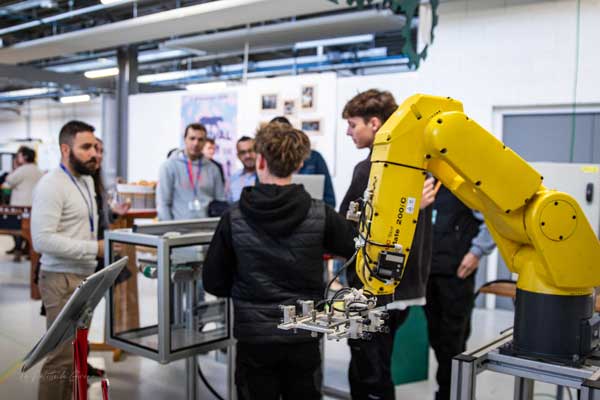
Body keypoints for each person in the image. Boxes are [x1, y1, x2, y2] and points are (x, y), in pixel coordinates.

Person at [202, 121, 356, 400]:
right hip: (303, 334)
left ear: (260, 161)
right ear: (298, 164)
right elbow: (356, 251)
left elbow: (213, 281)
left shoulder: (233, 218)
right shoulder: (321, 214)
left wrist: (244, 287)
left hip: (254, 338)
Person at [340, 89, 436, 400]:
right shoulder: (419, 168)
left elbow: (344, 225)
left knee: (368, 370)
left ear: (375, 123)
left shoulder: (369, 170)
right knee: (378, 365)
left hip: (371, 290)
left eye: (353, 124)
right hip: (405, 290)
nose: (349, 132)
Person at [31, 120, 103, 400]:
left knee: (77, 354)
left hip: (85, 279)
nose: (94, 153)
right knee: (60, 358)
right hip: (60, 279)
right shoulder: (51, 185)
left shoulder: (86, 180)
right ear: (65, 149)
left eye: (95, 147)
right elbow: (42, 240)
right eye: (86, 147)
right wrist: (93, 248)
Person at [425, 185, 496, 400]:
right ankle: (446, 391)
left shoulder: (466, 183)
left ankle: (452, 394)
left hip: (457, 273)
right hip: (429, 271)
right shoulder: (428, 181)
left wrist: (476, 252)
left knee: (452, 341)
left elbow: (493, 220)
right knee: (436, 338)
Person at [157, 123, 226, 220]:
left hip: (207, 226)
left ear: (205, 142)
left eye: (200, 139)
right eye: (192, 138)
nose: (196, 143)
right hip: (178, 227)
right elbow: (163, 203)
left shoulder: (213, 169)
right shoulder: (169, 166)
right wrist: (168, 228)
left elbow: (220, 201)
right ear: (185, 139)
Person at [270, 116, 336, 208]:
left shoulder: (315, 157)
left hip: (312, 212)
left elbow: (330, 200)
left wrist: (316, 213)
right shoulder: (266, 163)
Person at [3, 145, 43, 260]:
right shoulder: (38, 170)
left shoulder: (22, 169)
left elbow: (9, 180)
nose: (17, 158)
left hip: (20, 205)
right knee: (29, 229)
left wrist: (15, 168)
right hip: (33, 205)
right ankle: (28, 250)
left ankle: (18, 250)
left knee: (17, 228)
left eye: (19, 156)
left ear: (24, 157)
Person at [228, 136, 256, 203]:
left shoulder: (268, 177)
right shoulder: (233, 179)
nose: (248, 156)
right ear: (238, 156)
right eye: (243, 152)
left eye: (250, 151)